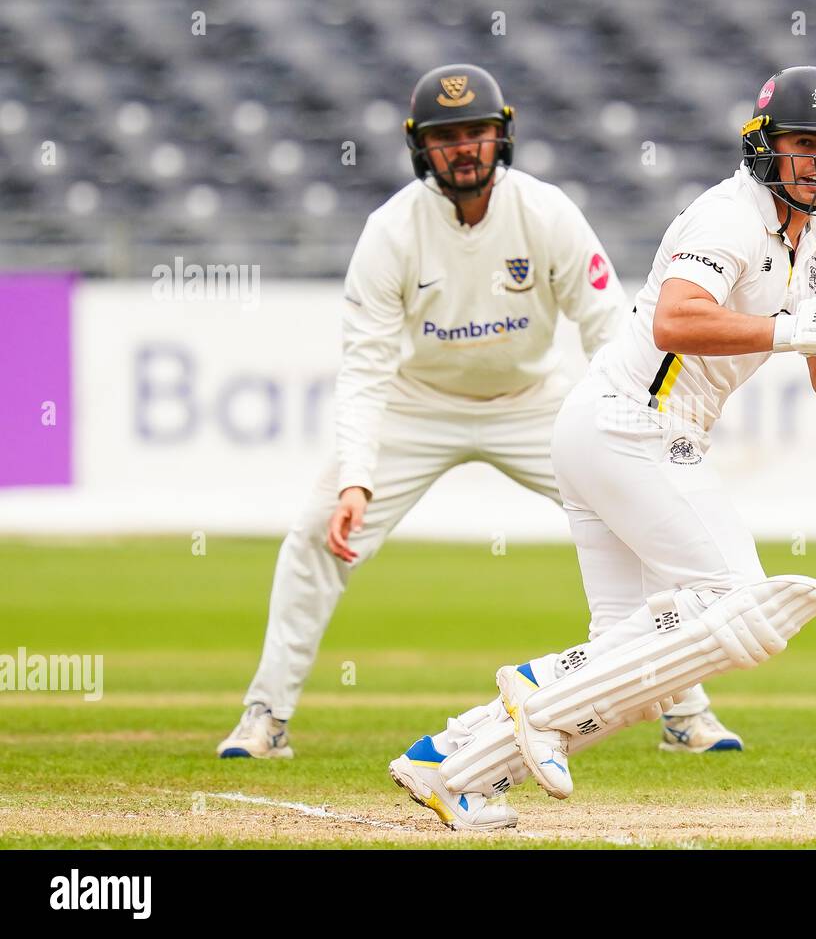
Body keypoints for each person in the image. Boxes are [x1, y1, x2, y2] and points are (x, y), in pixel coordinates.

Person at [386, 65, 816, 829]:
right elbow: (677, 320)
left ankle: (449, 760)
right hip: (629, 426)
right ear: (763, 147)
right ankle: (536, 683)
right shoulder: (726, 218)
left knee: (636, 679)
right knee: (737, 607)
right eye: (804, 144)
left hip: (626, 433)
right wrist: (799, 330)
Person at [218, 63, 653, 757]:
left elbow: (607, 326)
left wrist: (627, 431)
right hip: (415, 407)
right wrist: (356, 479)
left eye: (477, 132)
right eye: (448, 136)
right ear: (422, 146)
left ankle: (685, 708)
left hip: (532, 403)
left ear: (501, 137)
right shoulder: (391, 230)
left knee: (641, 521)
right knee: (315, 535)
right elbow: (364, 365)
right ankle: (266, 715)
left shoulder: (546, 213)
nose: (464, 148)